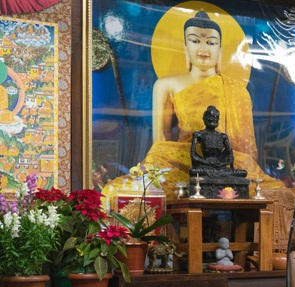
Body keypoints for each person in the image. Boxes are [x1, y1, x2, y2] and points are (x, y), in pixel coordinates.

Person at [102, 10, 281, 202]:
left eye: (211, 43)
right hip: (181, 165)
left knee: (279, 193)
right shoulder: (165, 85)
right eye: (195, 41)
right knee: (118, 192)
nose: (203, 48)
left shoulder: (237, 91)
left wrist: (223, 165)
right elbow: (161, 143)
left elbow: (242, 153)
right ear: (185, 46)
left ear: (220, 50)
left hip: (226, 170)